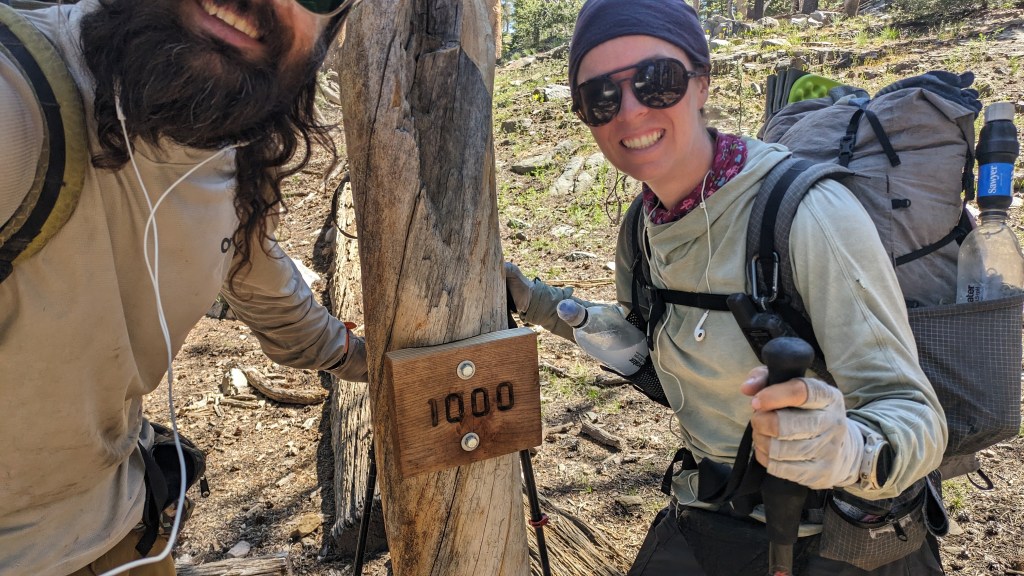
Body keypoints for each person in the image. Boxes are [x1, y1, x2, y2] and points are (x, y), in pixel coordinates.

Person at [505, 0, 948, 574]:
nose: (630, 111)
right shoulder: (642, 227)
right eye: (600, 97)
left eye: (656, 80)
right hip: (711, 510)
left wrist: (845, 450)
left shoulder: (808, 214)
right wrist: (536, 301)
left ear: (701, 82)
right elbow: (643, 344)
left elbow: (917, 415)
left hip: (840, 536)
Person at [0, 0, 369, 574]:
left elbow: (270, 291)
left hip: (126, 532)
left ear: (328, 33)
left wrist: (372, 360)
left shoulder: (236, 155)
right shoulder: (19, 102)